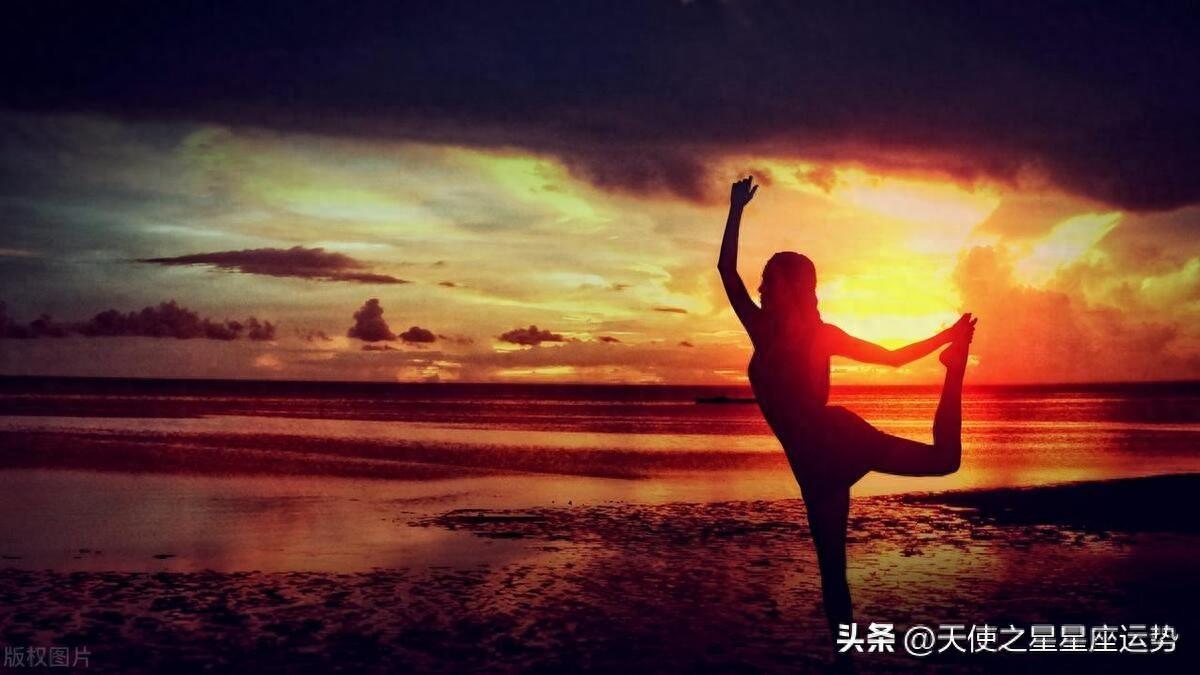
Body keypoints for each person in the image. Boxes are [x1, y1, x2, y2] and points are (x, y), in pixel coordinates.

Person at [717, 175, 976, 650]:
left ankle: (954, 369)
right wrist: (736, 209)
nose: (762, 288)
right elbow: (726, 273)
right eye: (764, 281)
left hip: (837, 440)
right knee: (832, 574)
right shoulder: (761, 328)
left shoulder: (823, 336)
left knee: (945, 461)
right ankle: (845, 659)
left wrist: (947, 336)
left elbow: (893, 358)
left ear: (795, 288)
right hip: (811, 466)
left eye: (771, 281)